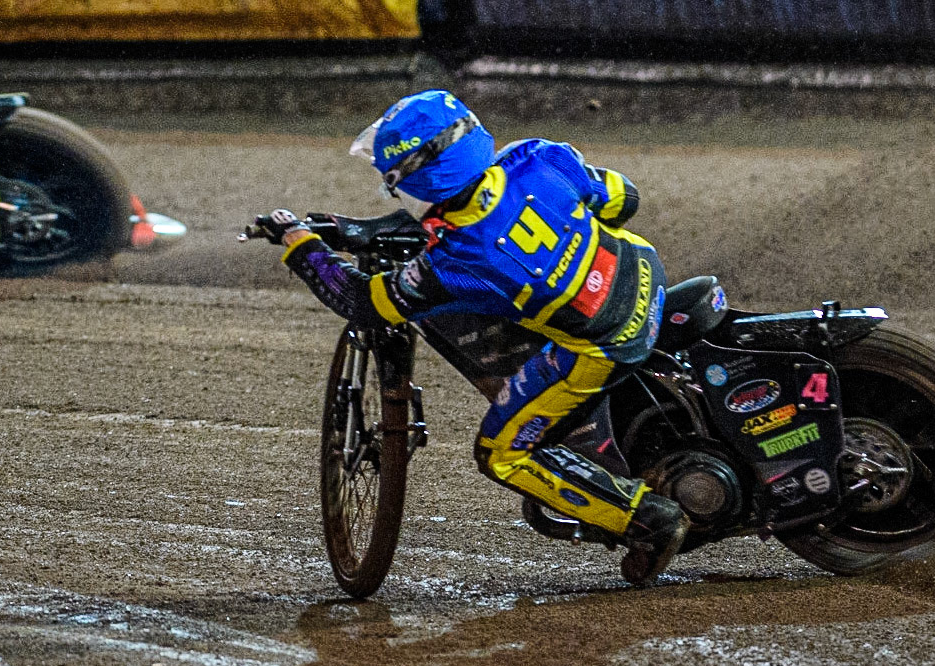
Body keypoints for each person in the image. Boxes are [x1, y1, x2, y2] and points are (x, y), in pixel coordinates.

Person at [260, 90, 691, 586]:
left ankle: (646, 520)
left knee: (501, 452)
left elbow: (363, 303)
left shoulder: (457, 263)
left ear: (416, 183)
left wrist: (302, 249)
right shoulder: (536, 157)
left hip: (606, 342)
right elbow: (622, 198)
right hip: (644, 274)